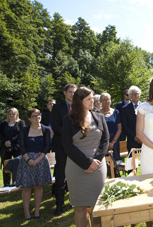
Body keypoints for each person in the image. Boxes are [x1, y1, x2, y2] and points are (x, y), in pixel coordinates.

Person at [62, 87, 109, 227]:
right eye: (88, 99)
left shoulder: (99, 117)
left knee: (98, 205)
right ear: (79, 101)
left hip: (98, 167)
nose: (92, 101)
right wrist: (86, 163)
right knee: (80, 207)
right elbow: (67, 145)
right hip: (77, 168)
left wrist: (96, 161)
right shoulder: (68, 120)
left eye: (92, 98)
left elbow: (105, 140)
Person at [16, 109, 52, 220]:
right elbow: (21, 147)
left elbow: (47, 146)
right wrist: (28, 160)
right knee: (26, 187)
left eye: (39, 115)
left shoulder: (46, 129)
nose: (37, 117)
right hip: (27, 160)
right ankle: (27, 212)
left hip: (41, 160)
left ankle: (37, 211)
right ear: (29, 118)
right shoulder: (24, 130)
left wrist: (37, 160)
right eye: (34, 116)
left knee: (38, 186)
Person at [51, 83, 77, 216]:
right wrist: (69, 135)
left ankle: (76, 201)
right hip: (62, 146)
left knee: (75, 175)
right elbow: (55, 126)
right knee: (61, 175)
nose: (73, 94)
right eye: (70, 92)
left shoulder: (79, 106)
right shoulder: (57, 107)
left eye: (74, 92)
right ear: (65, 93)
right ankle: (59, 204)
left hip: (76, 146)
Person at [0, 108, 25, 186]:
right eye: (10, 114)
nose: (11, 116)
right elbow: (0, 134)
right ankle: (6, 184)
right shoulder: (3, 124)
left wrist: (11, 141)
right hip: (6, 147)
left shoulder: (21, 123)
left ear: (17, 114)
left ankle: (18, 182)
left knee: (18, 164)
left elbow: (21, 133)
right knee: (6, 165)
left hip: (17, 146)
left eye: (13, 114)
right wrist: (5, 141)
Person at [99, 93, 122, 161]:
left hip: (114, 141)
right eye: (104, 100)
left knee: (116, 163)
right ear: (101, 101)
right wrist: (106, 143)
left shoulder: (116, 112)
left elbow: (119, 128)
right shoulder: (97, 113)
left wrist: (112, 142)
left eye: (108, 99)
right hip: (102, 142)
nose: (107, 101)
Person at [121, 86, 143, 155]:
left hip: (145, 139)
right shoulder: (125, 109)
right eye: (134, 94)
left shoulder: (145, 107)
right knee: (132, 162)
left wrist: (141, 137)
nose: (136, 95)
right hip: (132, 139)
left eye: (138, 93)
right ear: (130, 95)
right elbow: (125, 125)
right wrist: (135, 136)